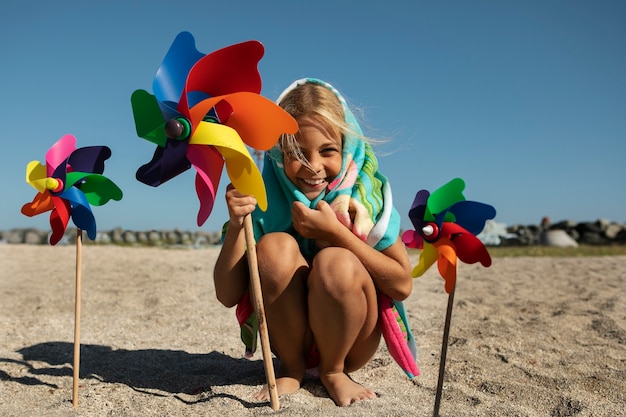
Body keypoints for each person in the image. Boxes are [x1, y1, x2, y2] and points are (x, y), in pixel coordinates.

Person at [213, 78, 415, 407]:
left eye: (327, 151)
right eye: (296, 152)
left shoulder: (365, 198)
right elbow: (226, 294)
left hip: (352, 342)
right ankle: (291, 368)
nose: (313, 166)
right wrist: (238, 224)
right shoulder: (260, 195)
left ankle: (333, 372)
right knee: (274, 248)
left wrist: (337, 234)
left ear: (346, 147)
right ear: (278, 152)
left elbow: (402, 284)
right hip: (289, 337)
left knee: (336, 261)